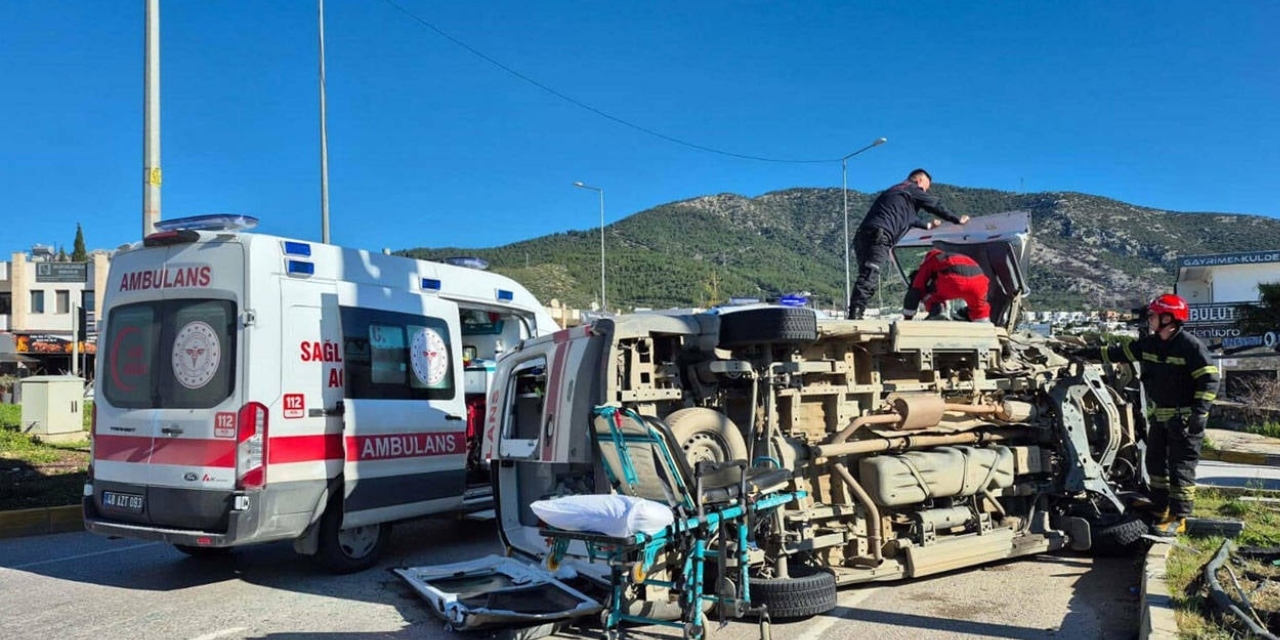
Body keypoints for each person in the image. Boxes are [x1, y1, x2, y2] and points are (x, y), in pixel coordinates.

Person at [1073, 294, 1221, 536]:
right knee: (1155, 464)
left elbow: (1210, 379)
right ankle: (1161, 507)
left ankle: (1179, 517)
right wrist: (1083, 352)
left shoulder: (1190, 345)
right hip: (1162, 419)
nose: (1149, 320)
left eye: (1152, 315)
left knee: (1180, 468)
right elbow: (1118, 353)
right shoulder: (1151, 344)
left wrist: (1200, 413)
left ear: (1168, 318)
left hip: (1184, 421)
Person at [848, 169, 970, 319]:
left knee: (866, 274)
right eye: (925, 187)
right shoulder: (912, 188)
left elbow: (909, 219)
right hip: (880, 235)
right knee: (870, 275)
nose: (925, 191)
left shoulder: (896, 193)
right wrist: (957, 219)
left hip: (863, 235)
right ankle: (855, 314)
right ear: (919, 180)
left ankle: (856, 310)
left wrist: (928, 226)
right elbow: (934, 205)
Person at [901, 248, 991, 322]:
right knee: (979, 309)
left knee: (926, 294)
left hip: (954, 281)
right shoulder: (955, 257)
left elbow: (917, 287)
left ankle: (938, 311)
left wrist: (907, 319)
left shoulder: (932, 259)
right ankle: (983, 325)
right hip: (980, 282)